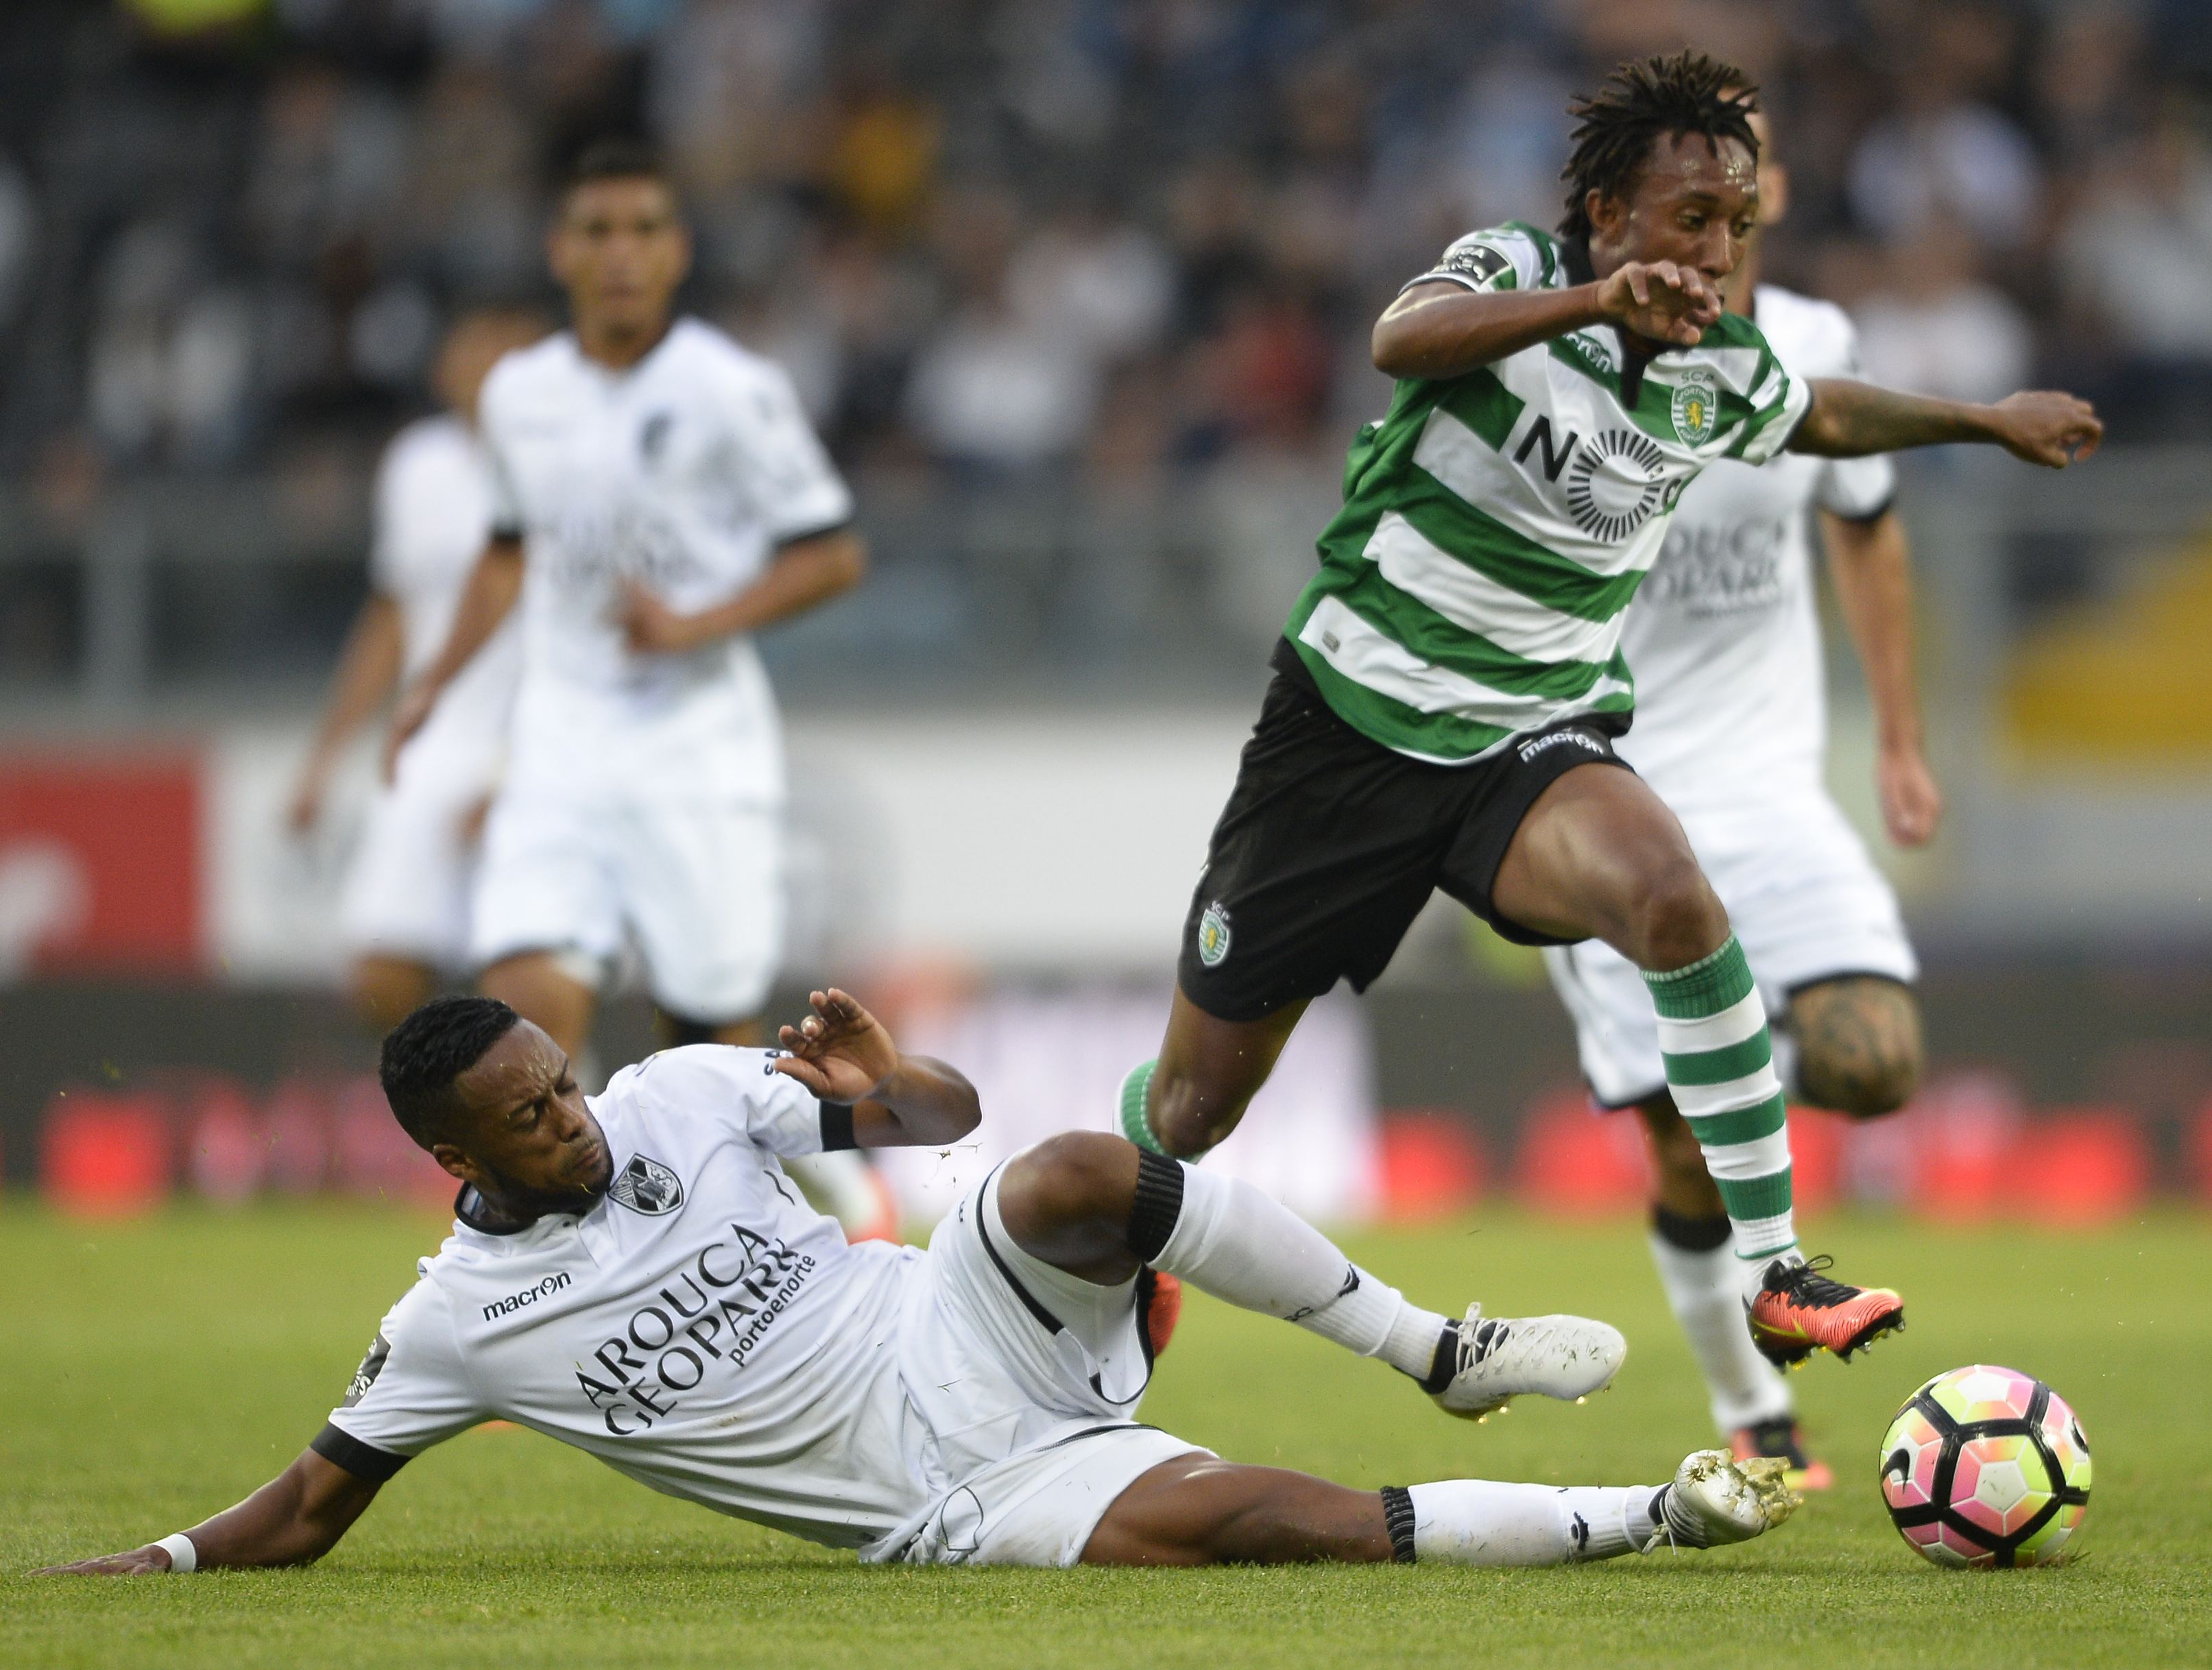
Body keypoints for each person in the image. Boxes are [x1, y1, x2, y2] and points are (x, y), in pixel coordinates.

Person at [1116, 52, 2101, 1368]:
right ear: (1606, 211)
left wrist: (1987, 421)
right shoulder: (1512, 269)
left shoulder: (1716, 371)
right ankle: (1126, 1213)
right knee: (1192, 1109)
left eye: (1739, 223)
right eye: (1692, 217)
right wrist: (1587, 299)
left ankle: (1776, 1269)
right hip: (1348, 730)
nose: (1718, 248)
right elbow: (1397, 340)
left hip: (1529, 740)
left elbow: (1821, 414)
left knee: (1671, 896)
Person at [36, 989, 1801, 1577]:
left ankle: (1441, 1347)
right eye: (527, 1117)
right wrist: (150, 1568)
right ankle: (1653, 1513)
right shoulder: (452, 1327)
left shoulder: (672, 1096)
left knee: (1066, 1170)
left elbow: (933, 1123)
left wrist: (882, 1075)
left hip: (939, 1310)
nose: (573, 1120)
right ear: (453, 1156)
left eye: (562, 1083)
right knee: (1265, 1526)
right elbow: (305, 1514)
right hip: (946, 1497)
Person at [1539, 97, 1934, 1491]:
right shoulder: (1567, 354)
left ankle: (1731, 1100)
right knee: (1676, 1149)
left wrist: (1894, 739)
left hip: (1769, 790)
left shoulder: (1815, 345)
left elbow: (1866, 533)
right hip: (1612, 790)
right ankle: (1748, 1402)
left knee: (1873, 1057)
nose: (1726, 180)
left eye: (1745, 159)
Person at [385, 138, 867, 1066]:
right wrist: (432, 684)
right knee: (523, 1003)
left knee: (709, 1047)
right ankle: (581, 1203)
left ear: (676, 250)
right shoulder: (519, 395)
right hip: (560, 741)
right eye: (597, 231)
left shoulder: (731, 391)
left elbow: (834, 554)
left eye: (643, 229)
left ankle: (827, 1187)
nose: (621, 254)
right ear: (558, 250)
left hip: (694, 748)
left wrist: (693, 625)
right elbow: (503, 552)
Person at [287, 308, 546, 1030]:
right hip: (434, 743)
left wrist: (513, 774)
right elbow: (394, 617)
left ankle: (572, 1133)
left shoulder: (565, 465)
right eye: (468, 349)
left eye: (502, 348)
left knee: (530, 981)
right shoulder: (417, 464)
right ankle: (448, 1129)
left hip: (537, 747)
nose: (482, 367)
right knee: (381, 969)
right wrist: (324, 758)